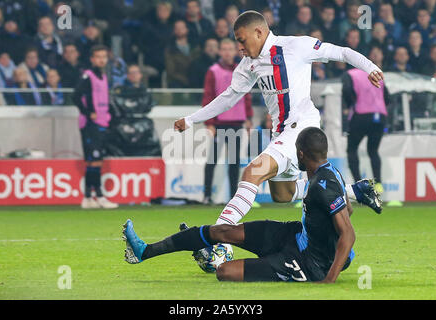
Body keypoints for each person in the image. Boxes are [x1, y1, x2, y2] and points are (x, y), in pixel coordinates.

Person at [174, 11, 383, 229]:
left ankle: (217, 237)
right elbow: (228, 98)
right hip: (281, 132)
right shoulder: (249, 64)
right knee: (284, 194)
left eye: (242, 40)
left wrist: (370, 67)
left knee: (252, 172)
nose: (240, 48)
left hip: (302, 127)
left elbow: (342, 52)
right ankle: (355, 191)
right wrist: (191, 119)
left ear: (258, 32)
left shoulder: (296, 46)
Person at [123, 127, 357, 284]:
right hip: (294, 236)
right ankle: (145, 251)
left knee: (224, 273)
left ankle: (213, 258)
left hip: (307, 263)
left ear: (301, 153)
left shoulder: (321, 184)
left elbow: (348, 234)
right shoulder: (330, 172)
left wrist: (329, 279)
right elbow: (347, 209)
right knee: (222, 231)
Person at [202, 38, 253, 205]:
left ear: (235, 51)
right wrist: (209, 122)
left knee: (234, 162)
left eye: (230, 49)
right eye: (224, 49)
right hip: (219, 123)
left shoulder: (242, 69)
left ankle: (233, 197)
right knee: (212, 160)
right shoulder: (213, 71)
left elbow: (246, 95)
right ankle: (207, 195)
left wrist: (249, 117)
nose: (227, 52)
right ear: (219, 51)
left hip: (237, 121)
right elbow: (208, 96)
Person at [72, 45, 119, 210]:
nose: (101, 60)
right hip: (91, 124)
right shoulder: (88, 76)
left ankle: (88, 196)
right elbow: (76, 95)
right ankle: (97, 195)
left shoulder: (103, 76)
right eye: (98, 57)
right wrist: (88, 112)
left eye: (104, 57)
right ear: (92, 59)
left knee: (95, 161)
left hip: (102, 122)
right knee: (95, 161)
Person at [342, 46, 390, 194]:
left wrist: (350, 105)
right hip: (380, 116)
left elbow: (347, 91)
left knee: (352, 149)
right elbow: (387, 97)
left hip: (361, 115)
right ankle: (379, 184)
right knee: (373, 150)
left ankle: (359, 185)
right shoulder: (377, 74)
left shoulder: (350, 74)